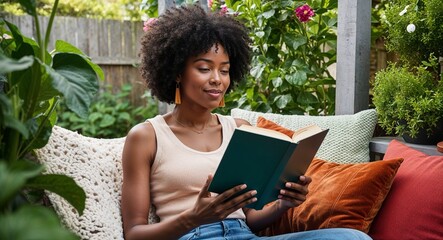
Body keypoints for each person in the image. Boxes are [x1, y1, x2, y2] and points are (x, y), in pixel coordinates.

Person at [121, 4, 372, 240]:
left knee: (352, 237)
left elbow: (251, 219)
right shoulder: (147, 137)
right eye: (204, 68)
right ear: (176, 72)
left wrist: (284, 204)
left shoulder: (239, 129)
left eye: (225, 70)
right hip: (193, 235)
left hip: (244, 234)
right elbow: (134, 234)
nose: (217, 79)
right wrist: (193, 218)